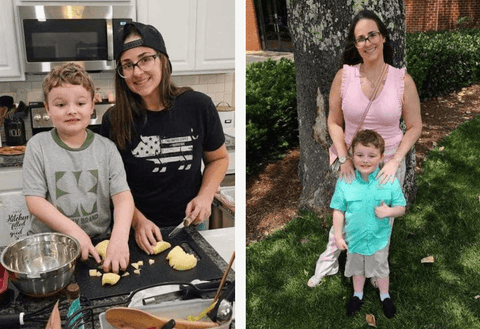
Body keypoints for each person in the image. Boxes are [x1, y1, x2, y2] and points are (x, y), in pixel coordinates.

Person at [308, 9, 421, 287]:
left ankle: (374, 267)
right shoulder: (344, 77)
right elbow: (333, 122)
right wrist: (344, 158)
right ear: (355, 45)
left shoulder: (402, 80)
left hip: (388, 161)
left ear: (382, 37)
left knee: (381, 218)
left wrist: (395, 161)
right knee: (346, 215)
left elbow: (415, 126)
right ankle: (329, 262)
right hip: (352, 160)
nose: (368, 42)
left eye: (372, 35)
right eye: (361, 38)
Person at [99, 22, 229, 255]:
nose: (137, 72)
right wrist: (138, 222)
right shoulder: (114, 120)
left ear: (163, 60)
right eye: (127, 65)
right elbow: (111, 185)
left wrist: (205, 196)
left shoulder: (198, 105)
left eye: (145, 59)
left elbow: (218, 159)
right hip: (136, 231)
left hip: (191, 225)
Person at [22, 63, 134, 274]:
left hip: (98, 243)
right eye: (61, 105)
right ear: (47, 108)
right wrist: (75, 232)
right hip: (51, 247)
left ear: (92, 105)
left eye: (80, 103)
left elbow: (123, 197)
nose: (71, 110)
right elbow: (35, 202)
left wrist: (119, 239)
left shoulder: (107, 149)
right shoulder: (38, 146)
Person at [331, 129, 406, 318]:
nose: (365, 160)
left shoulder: (388, 181)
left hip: (378, 239)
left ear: (381, 157)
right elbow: (338, 210)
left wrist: (389, 211)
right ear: (352, 156)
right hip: (354, 239)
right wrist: (339, 236)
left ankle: (385, 295)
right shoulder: (345, 181)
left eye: (372, 155)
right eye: (360, 155)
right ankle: (357, 295)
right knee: (357, 268)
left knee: (381, 268)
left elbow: (401, 208)